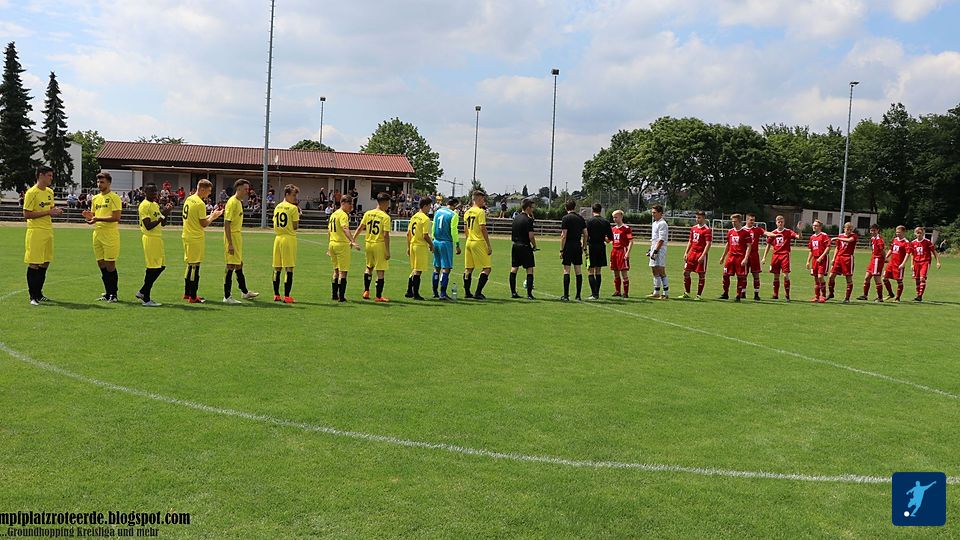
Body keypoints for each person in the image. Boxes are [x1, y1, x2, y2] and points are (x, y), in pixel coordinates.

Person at [22, 165, 64, 305]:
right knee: (34, 263)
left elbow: (50, 209)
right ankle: (32, 296)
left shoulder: (50, 192)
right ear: (41, 175)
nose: (51, 178)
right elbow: (26, 214)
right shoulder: (31, 193)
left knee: (45, 263)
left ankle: (39, 294)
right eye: (49, 175)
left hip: (48, 231)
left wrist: (56, 211)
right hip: (35, 231)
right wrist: (48, 212)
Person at [82, 171, 123, 302]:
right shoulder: (95, 198)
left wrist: (97, 218)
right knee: (101, 263)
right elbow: (94, 216)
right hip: (97, 233)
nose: (99, 184)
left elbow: (116, 217)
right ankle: (107, 292)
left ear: (109, 183)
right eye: (98, 182)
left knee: (110, 264)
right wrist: (89, 218)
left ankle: (114, 294)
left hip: (110, 234)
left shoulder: (114, 197)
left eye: (102, 182)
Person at [181, 179, 224, 303]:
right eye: (208, 191)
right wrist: (213, 217)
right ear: (202, 189)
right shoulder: (200, 203)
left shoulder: (189, 199)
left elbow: (197, 219)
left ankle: (187, 293)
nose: (209, 194)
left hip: (187, 235)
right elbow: (204, 223)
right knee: (195, 266)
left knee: (190, 265)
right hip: (195, 237)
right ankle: (193, 296)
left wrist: (211, 215)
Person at [135, 183, 172, 306]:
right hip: (150, 238)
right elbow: (148, 225)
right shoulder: (144, 205)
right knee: (152, 268)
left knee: (161, 266)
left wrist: (166, 212)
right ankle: (146, 298)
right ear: (145, 192)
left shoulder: (155, 205)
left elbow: (163, 223)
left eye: (155, 191)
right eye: (151, 191)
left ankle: (143, 291)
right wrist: (161, 216)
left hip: (157, 238)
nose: (154, 194)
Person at [222, 179, 259, 304]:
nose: (247, 191)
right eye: (245, 189)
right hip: (232, 236)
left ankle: (244, 292)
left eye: (248, 189)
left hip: (237, 236)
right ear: (238, 188)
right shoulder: (232, 202)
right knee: (230, 265)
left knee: (239, 264)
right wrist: (230, 243)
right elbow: (227, 224)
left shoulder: (239, 202)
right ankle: (227, 296)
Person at [354, 192, 392, 302]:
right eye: (388, 203)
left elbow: (360, 227)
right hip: (379, 244)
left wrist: (353, 239)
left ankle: (366, 291)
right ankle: (379, 296)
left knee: (369, 267)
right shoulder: (385, 217)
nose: (388, 205)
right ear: (384, 203)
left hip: (368, 243)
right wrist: (387, 251)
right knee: (380, 270)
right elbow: (385, 235)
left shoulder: (368, 213)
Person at [760, 215, 803, 301]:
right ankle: (775, 294)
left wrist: (799, 230)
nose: (780, 223)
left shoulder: (788, 232)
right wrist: (764, 257)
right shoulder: (773, 233)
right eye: (779, 222)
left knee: (785, 275)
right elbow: (768, 245)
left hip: (785, 255)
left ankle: (787, 295)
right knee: (776, 276)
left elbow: (799, 238)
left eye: (782, 222)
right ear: (776, 223)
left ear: (784, 222)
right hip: (775, 256)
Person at [327, 196, 361, 302]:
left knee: (336, 270)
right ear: (343, 203)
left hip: (332, 244)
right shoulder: (343, 215)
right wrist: (353, 241)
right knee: (343, 272)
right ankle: (341, 297)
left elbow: (329, 231)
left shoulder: (334, 214)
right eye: (349, 203)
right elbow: (345, 228)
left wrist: (329, 247)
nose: (351, 206)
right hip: (341, 245)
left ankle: (334, 295)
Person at [271, 184, 301, 303]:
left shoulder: (277, 207)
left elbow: (274, 222)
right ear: (287, 194)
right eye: (293, 195)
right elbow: (295, 226)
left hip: (278, 238)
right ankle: (287, 296)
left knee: (277, 267)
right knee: (289, 267)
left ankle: (276, 295)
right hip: (288, 238)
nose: (295, 198)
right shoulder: (293, 208)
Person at [463, 190, 493, 300]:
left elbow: (465, 229)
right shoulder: (480, 212)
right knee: (487, 268)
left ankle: (467, 292)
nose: (483, 201)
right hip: (478, 241)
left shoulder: (467, 212)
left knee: (468, 268)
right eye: (482, 199)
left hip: (469, 241)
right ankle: (478, 292)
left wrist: (468, 238)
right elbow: (482, 228)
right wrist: (488, 244)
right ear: (478, 199)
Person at [431, 197, 461, 300]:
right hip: (446, 242)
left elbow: (433, 226)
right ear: (455, 205)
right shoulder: (453, 215)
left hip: (436, 241)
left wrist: (433, 240)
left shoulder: (438, 211)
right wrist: (457, 244)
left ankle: (435, 291)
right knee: (446, 268)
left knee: (436, 267)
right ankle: (443, 293)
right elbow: (454, 230)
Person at [718, 213, 751, 302]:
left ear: (740, 221)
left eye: (735, 221)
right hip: (730, 257)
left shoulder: (745, 233)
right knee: (725, 275)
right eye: (732, 221)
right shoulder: (730, 232)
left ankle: (738, 295)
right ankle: (725, 293)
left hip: (740, 257)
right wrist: (723, 257)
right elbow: (728, 245)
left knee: (740, 277)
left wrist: (746, 258)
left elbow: (749, 246)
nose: (733, 223)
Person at [405, 198, 434, 300]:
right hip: (420, 246)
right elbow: (425, 235)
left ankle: (409, 291)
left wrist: (408, 247)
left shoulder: (414, 217)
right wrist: (431, 245)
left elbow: (408, 233)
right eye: (429, 206)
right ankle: (416, 294)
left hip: (413, 244)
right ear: (425, 206)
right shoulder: (425, 219)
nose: (430, 209)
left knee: (414, 268)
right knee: (418, 270)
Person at [679, 210, 711, 300]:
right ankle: (687, 293)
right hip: (692, 253)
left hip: (700, 254)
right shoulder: (693, 228)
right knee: (686, 272)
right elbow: (690, 241)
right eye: (696, 217)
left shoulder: (707, 230)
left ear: (703, 218)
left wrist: (703, 256)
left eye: (699, 218)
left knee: (701, 274)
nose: (697, 219)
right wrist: (686, 252)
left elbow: (708, 244)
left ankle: (698, 295)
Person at [559, 199, 587, 301]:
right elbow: (586, 234)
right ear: (575, 207)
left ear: (565, 207)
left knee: (566, 270)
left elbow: (564, 235)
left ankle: (566, 295)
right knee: (578, 270)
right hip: (577, 245)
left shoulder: (565, 218)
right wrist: (584, 246)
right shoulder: (580, 218)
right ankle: (578, 295)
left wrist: (561, 250)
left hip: (568, 245)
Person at [510, 198, 537, 299]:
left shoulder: (515, 218)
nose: (532, 210)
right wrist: (534, 245)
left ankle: (513, 292)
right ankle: (529, 294)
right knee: (529, 269)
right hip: (525, 246)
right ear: (528, 208)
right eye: (532, 207)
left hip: (515, 245)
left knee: (514, 268)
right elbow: (531, 236)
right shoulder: (528, 220)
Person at [585, 203, 613, 300]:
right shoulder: (606, 222)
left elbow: (586, 235)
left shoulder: (589, 221)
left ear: (592, 210)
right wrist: (604, 239)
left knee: (590, 271)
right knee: (598, 271)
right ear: (600, 210)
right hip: (601, 246)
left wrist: (584, 246)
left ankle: (594, 293)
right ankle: (597, 293)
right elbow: (610, 238)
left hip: (592, 247)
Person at [827, 222, 858, 303]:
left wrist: (837, 238)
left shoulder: (853, 236)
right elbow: (837, 247)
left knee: (848, 277)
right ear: (844, 229)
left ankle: (847, 298)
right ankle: (831, 293)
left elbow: (849, 240)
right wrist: (834, 258)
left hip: (848, 258)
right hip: (839, 257)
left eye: (850, 229)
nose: (849, 231)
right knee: (831, 276)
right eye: (847, 229)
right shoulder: (840, 236)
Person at [909, 226, 941, 302]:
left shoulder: (927, 242)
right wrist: (912, 264)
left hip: (925, 262)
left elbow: (934, 252)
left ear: (923, 233)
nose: (919, 234)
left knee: (922, 278)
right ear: (915, 233)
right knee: (917, 279)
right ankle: (918, 295)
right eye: (917, 233)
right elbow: (912, 254)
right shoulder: (913, 243)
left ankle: (920, 295)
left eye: (920, 233)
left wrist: (938, 262)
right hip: (916, 262)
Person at [855, 224, 885, 303]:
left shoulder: (879, 239)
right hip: (873, 260)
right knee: (867, 278)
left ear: (877, 230)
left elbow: (882, 251)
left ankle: (880, 297)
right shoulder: (872, 238)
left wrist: (884, 258)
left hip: (877, 260)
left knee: (876, 278)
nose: (872, 232)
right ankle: (865, 295)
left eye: (874, 230)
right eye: (871, 230)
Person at [805, 220, 831, 303]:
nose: (814, 227)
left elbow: (828, 247)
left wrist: (821, 256)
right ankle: (816, 296)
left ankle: (823, 296)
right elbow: (811, 250)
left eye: (816, 225)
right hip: (815, 259)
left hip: (823, 259)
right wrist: (808, 261)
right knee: (816, 278)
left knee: (820, 277)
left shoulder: (824, 235)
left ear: (820, 227)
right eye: (813, 225)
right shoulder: (812, 237)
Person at [883, 225, 911, 303]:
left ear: (903, 232)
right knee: (884, 278)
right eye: (896, 232)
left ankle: (897, 298)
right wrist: (886, 257)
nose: (897, 233)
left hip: (899, 264)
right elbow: (891, 249)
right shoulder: (895, 240)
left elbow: (908, 253)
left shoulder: (906, 242)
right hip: (891, 263)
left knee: (899, 281)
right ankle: (890, 294)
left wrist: (903, 263)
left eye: (899, 232)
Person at [609, 210, 633, 298]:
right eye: (613, 217)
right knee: (615, 272)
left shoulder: (626, 228)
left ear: (621, 217)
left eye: (616, 217)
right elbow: (609, 240)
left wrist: (628, 253)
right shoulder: (613, 229)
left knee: (624, 272)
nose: (614, 219)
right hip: (614, 251)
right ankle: (617, 291)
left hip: (622, 251)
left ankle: (625, 293)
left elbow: (631, 241)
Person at [647, 204, 669, 299]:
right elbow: (654, 239)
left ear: (660, 213)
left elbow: (661, 239)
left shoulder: (662, 223)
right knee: (654, 269)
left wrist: (656, 251)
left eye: (654, 212)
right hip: (654, 248)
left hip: (660, 250)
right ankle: (656, 291)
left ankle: (665, 293)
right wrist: (651, 250)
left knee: (661, 270)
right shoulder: (654, 223)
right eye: (652, 212)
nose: (653, 214)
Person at [743, 213, 766, 301]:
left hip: (754, 254)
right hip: (744, 254)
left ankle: (756, 294)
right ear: (747, 220)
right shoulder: (742, 230)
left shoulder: (757, 229)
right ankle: (743, 293)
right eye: (751, 220)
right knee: (743, 275)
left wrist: (775, 235)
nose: (752, 221)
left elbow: (766, 233)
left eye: (754, 220)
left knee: (756, 274)